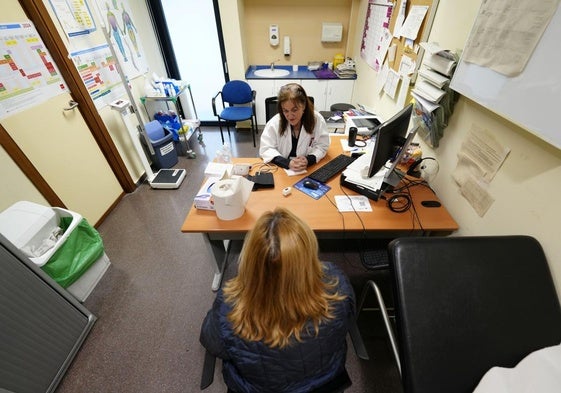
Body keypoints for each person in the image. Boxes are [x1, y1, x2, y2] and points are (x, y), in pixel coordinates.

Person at [199, 207, 355, 393]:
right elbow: (348, 321)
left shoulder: (229, 307)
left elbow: (211, 342)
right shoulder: (337, 286)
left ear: (250, 259)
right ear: (307, 255)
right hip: (326, 383)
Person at [260, 83, 330, 172]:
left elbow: (322, 146)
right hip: (282, 171)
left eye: (294, 110)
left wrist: (309, 160)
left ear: (303, 106)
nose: (290, 116)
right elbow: (266, 149)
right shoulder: (274, 123)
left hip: (308, 170)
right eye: (285, 111)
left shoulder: (316, 120)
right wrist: (287, 163)